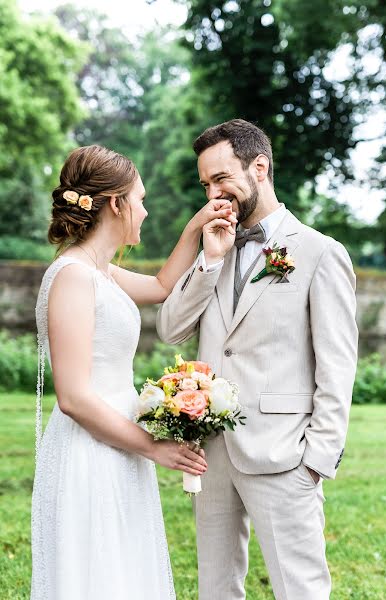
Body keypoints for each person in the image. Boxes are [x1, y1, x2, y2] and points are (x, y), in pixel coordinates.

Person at [156, 119, 358, 600]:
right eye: (205, 184)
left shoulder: (319, 253)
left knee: (299, 589)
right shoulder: (215, 246)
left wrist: (317, 460)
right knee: (216, 588)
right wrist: (208, 261)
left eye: (221, 179)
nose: (213, 194)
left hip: (286, 454)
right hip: (214, 452)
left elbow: (337, 366)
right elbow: (170, 329)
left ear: (259, 168)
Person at [31, 144, 237, 600]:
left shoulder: (100, 271)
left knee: (123, 572)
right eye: (140, 200)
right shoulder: (73, 276)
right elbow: (73, 397)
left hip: (119, 447)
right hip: (91, 451)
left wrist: (198, 226)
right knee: (97, 575)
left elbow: (163, 286)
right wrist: (154, 447)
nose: (144, 212)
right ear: (117, 204)